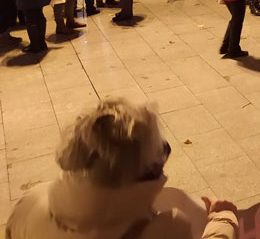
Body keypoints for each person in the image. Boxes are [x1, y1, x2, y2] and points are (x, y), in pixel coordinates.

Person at [6, 98, 239, 239]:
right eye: (160, 153)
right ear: (147, 174)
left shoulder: (30, 202)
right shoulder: (169, 229)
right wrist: (223, 219)